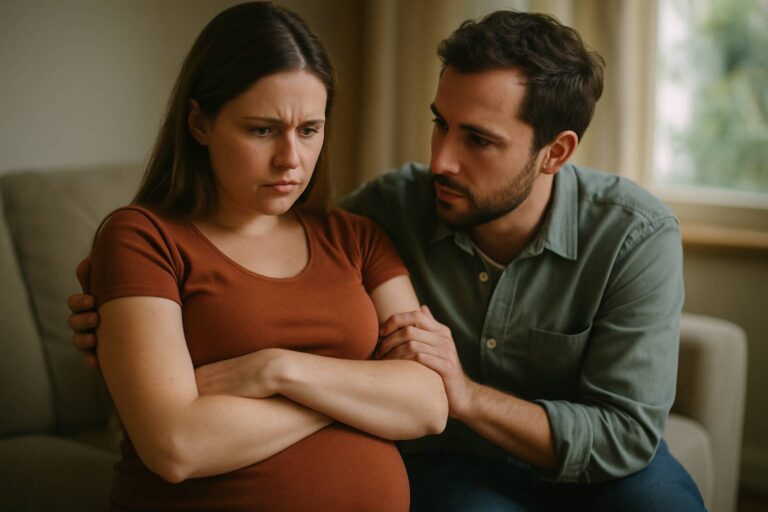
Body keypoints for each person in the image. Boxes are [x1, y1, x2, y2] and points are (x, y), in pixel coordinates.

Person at [70, 8, 706, 512]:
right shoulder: (388, 208)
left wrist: (280, 370)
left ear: (555, 152)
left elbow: (608, 432)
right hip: (458, 467)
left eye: (479, 140)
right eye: (441, 124)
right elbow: (183, 425)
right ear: (201, 123)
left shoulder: (633, 235)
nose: (442, 161)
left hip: (591, 463)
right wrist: (124, 321)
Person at [70, 2, 448, 511]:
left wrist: (274, 370)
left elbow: (428, 404)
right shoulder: (142, 237)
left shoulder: (356, 238)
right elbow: (176, 445)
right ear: (200, 123)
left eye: (309, 129)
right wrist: (354, 398)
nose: (291, 159)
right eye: (262, 130)